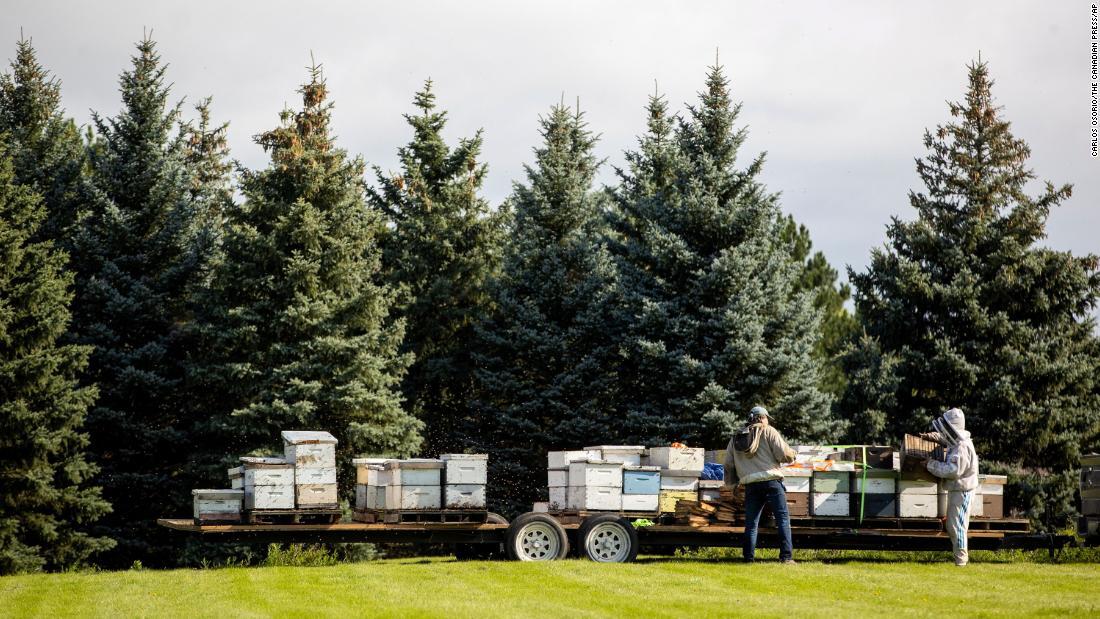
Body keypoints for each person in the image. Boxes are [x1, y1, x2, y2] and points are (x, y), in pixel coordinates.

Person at [724, 406, 797, 564]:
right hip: (771, 481)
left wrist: (732, 485)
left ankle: (748, 559)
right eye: (766, 418)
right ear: (762, 417)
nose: (767, 421)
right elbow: (783, 453)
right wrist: (793, 456)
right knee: (782, 519)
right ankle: (786, 557)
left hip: (751, 485)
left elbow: (728, 464)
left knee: (751, 523)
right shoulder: (769, 431)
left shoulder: (736, 437)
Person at [921, 407, 979, 566]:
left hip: (963, 490)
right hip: (958, 489)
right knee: (953, 525)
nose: (944, 431)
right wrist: (931, 437)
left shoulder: (961, 447)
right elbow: (945, 439)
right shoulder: (957, 441)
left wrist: (930, 464)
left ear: (952, 428)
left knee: (957, 526)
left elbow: (952, 470)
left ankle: (961, 562)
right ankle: (959, 560)